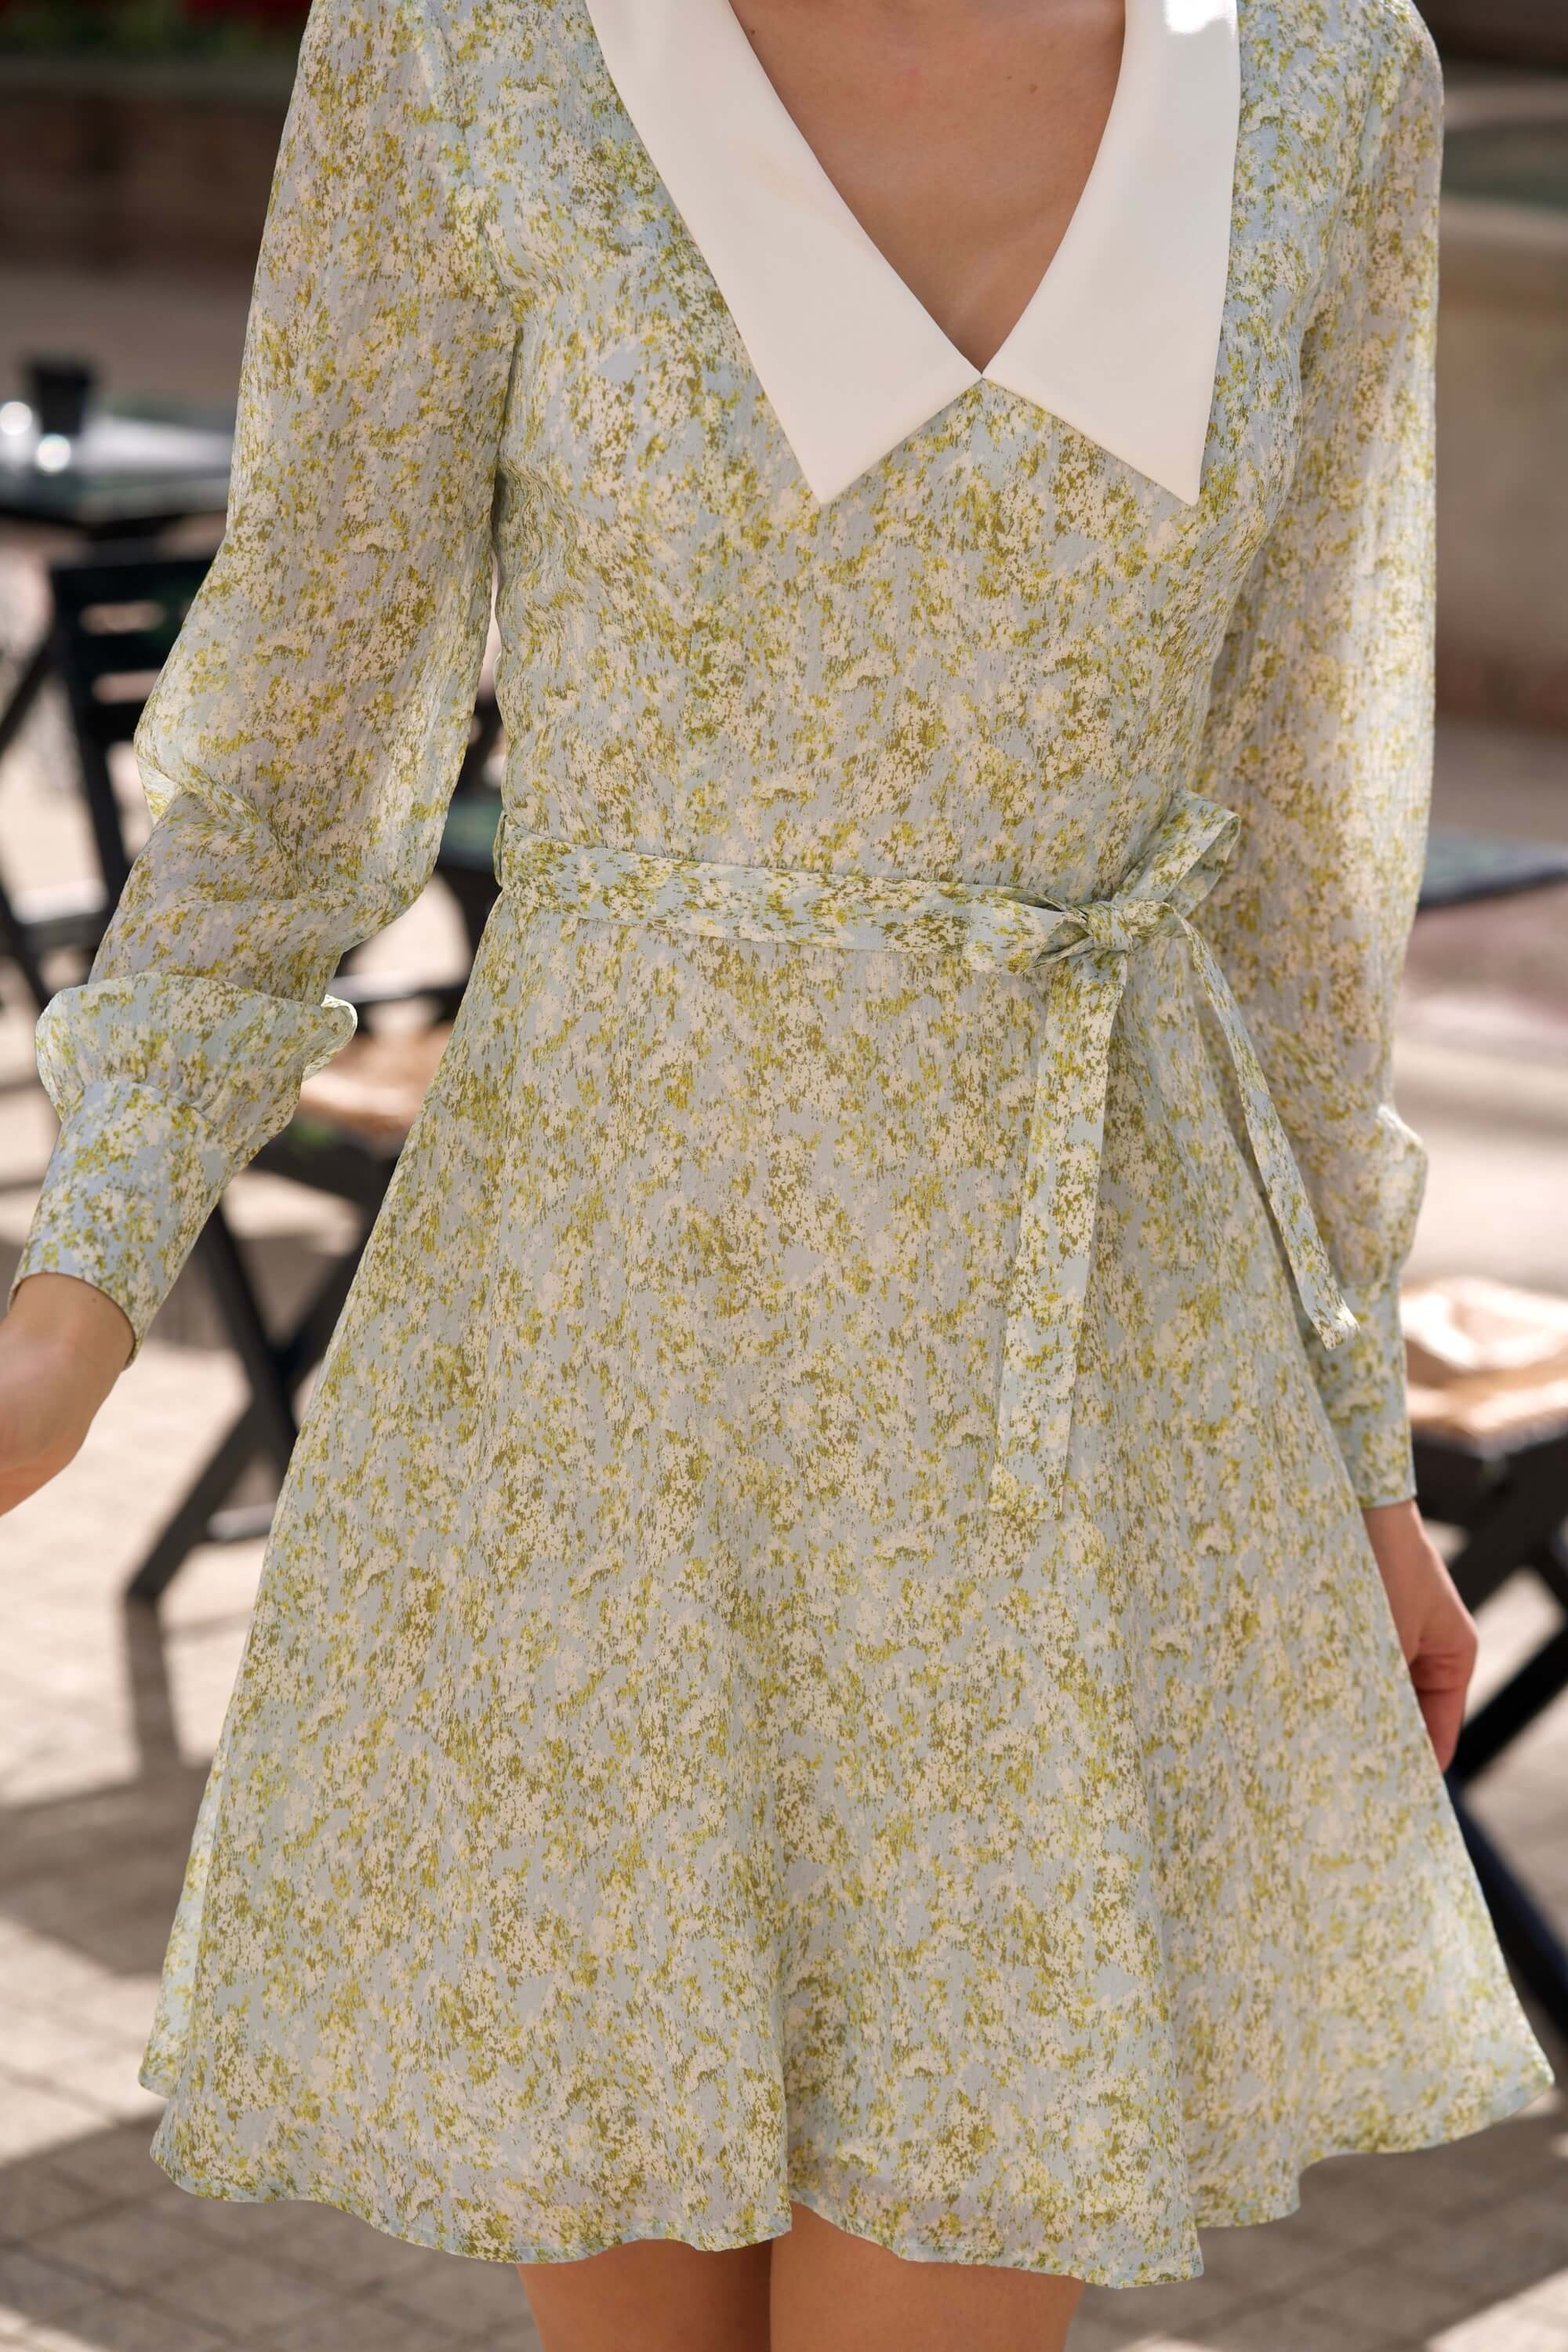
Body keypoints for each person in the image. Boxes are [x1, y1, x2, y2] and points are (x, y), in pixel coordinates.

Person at [0, 0, 1555, 2344]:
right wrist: (76, 1299)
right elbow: (293, 774)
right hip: (607, 1380)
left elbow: (1299, 870)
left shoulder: (1331, 75)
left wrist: (1358, 1448)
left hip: (1078, 1409)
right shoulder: (465, 49)